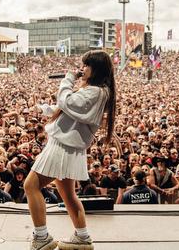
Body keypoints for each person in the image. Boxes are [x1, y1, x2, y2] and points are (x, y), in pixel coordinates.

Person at [24, 50, 116, 250]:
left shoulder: (96, 92)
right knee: (67, 194)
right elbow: (70, 111)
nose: (82, 69)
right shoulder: (96, 91)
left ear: (96, 68)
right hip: (68, 146)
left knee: (31, 186)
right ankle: (82, 237)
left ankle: (42, 238)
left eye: (85, 65)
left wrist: (67, 80)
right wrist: (47, 110)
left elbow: (67, 101)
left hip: (63, 146)